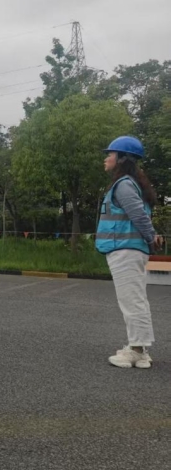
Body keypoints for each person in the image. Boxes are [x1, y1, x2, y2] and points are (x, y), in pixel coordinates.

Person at [96, 136, 161, 369]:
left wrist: (151, 237)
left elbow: (138, 215)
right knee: (135, 300)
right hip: (128, 249)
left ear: (122, 158)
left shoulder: (123, 184)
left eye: (110, 154)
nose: (106, 158)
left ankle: (136, 351)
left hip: (125, 250)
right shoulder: (131, 183)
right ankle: (140, 350)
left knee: (132, 301)